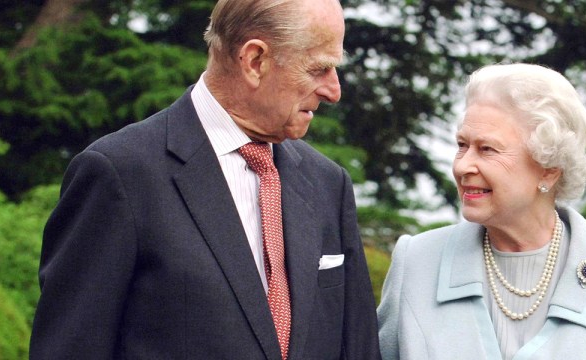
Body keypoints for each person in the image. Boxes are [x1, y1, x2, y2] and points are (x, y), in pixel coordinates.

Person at [29, 0, 381, 359]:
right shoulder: (118, 173)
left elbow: (358, 348)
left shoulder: (328, 184)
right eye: (319, 68)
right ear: (255, 60)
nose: (333, 91)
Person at [377, 63, 586, 359]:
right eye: (461, 145)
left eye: (487, 149)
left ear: (548, 169)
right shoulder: (416, 264)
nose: (462, 165)